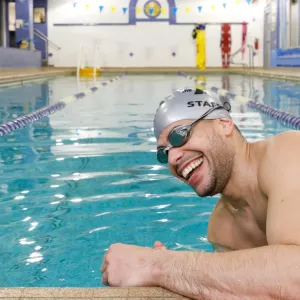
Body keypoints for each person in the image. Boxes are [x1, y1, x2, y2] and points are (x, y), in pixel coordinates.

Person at [100, 87, 300, 299]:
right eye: (163, 153)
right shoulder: (221, 229)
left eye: (179, 136)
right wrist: (174, 274)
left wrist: (157, 266)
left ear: (224, 124)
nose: (172, 159)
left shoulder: (288, 152)